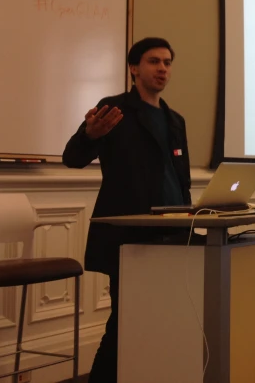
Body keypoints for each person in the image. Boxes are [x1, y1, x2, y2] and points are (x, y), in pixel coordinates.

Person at [63, 37, 191, 383]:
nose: (162, 68)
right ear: (134, 68)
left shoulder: (175, 120)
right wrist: (89, 136)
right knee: (126, 320)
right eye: (153, 61)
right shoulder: (114, 109)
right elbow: (72, 159)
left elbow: (182, 180)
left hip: (175, 233)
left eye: (167, 62)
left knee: (165, 318)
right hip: (130, 234)